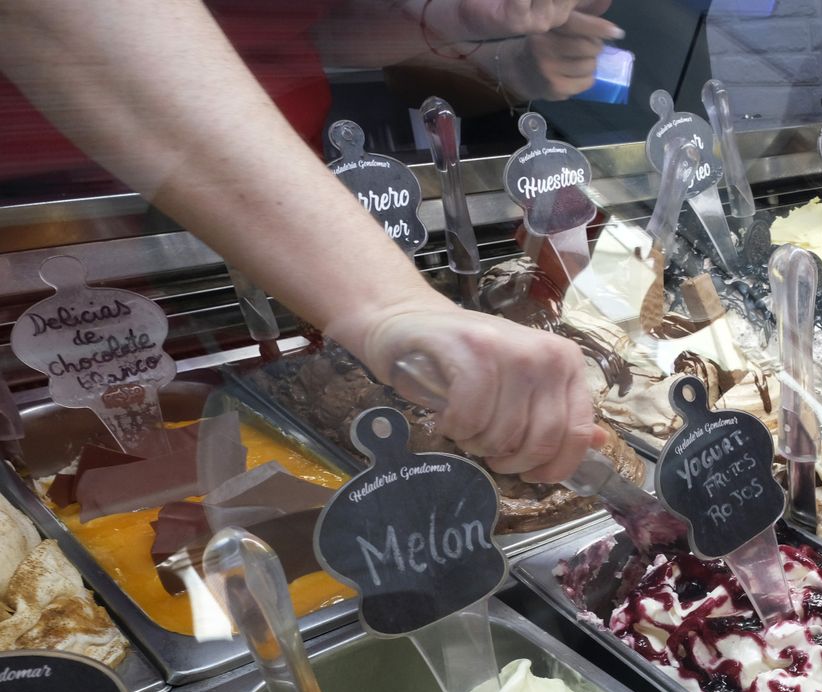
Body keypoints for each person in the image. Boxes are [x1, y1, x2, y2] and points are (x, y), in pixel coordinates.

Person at [0, 0, 605, 485]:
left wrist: (442, 24)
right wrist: (388, 303)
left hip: (281, 209)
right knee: (95, 419)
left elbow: (292, 27)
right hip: (64, 222)